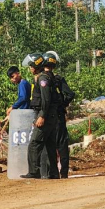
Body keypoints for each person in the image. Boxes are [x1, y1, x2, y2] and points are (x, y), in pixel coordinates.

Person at [19, 53, 60, 179]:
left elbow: (46, 99)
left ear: (37, 66)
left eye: (31, 66)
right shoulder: (46, 77)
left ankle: (34, 171)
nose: (30, 68)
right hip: (51, 116)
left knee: (34, 143)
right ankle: (53, 173)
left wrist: (41, 116)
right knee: (50, 145)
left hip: (46, 116)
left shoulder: (43, 79)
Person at [41, 51, 75, 179]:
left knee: (50, 144)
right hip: (59, 115)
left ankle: (53, 172)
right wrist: (62, 105)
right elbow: (70, 94)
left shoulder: (43, 78)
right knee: (62, 144)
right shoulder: (58, 79)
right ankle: (64, 172)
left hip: (48, 116)